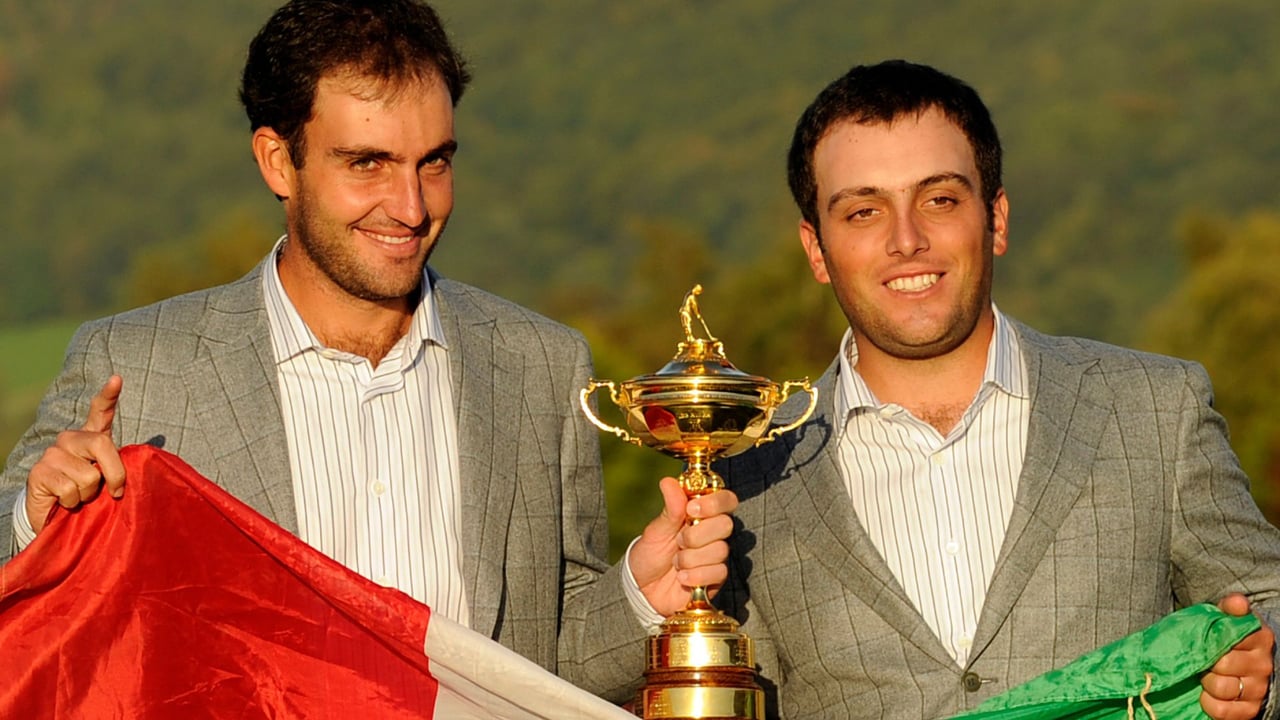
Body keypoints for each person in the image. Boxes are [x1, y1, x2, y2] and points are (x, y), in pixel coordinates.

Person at [0, 0, 737, 703]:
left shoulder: (540, 366)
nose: (412, 208)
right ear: (276, 162)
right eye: (367, 164)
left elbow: (543, 662)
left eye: (434, 163)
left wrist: (640, 590)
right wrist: (36, 522)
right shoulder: (139, 365)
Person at [714, 59, 1280, 719]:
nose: (907, 240)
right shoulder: (751, 471)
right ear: (816, 249)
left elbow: (1267, 602)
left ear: (997, 219)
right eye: (864, 211)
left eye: (940, 199)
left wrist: (1261, 671)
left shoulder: (1156, 408)